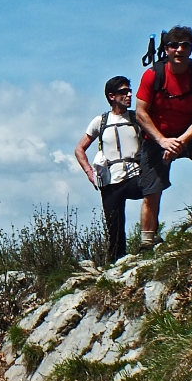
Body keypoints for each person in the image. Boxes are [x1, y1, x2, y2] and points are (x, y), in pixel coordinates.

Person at [135, 26, 192, 248]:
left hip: (185, 136)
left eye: (185, 45)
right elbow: (140, 113)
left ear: (191, 49)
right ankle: (147, 242)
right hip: (155, 140)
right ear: (166, 49)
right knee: (152, 192)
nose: (179, 50)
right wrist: (163, 141)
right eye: (174, 45)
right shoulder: (152, 76)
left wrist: (180, 142)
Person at [75, 76, 143, 263]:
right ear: (112, 96)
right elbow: (79, 149)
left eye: (129, 90)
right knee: (115, 227)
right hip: (110, 181)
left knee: (151, 191)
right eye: (124, 91)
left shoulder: (137, 117)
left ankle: (149, 239)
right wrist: (90, 173)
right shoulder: (101, 121)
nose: (129, 94)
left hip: (134, 174)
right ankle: (115, 263)